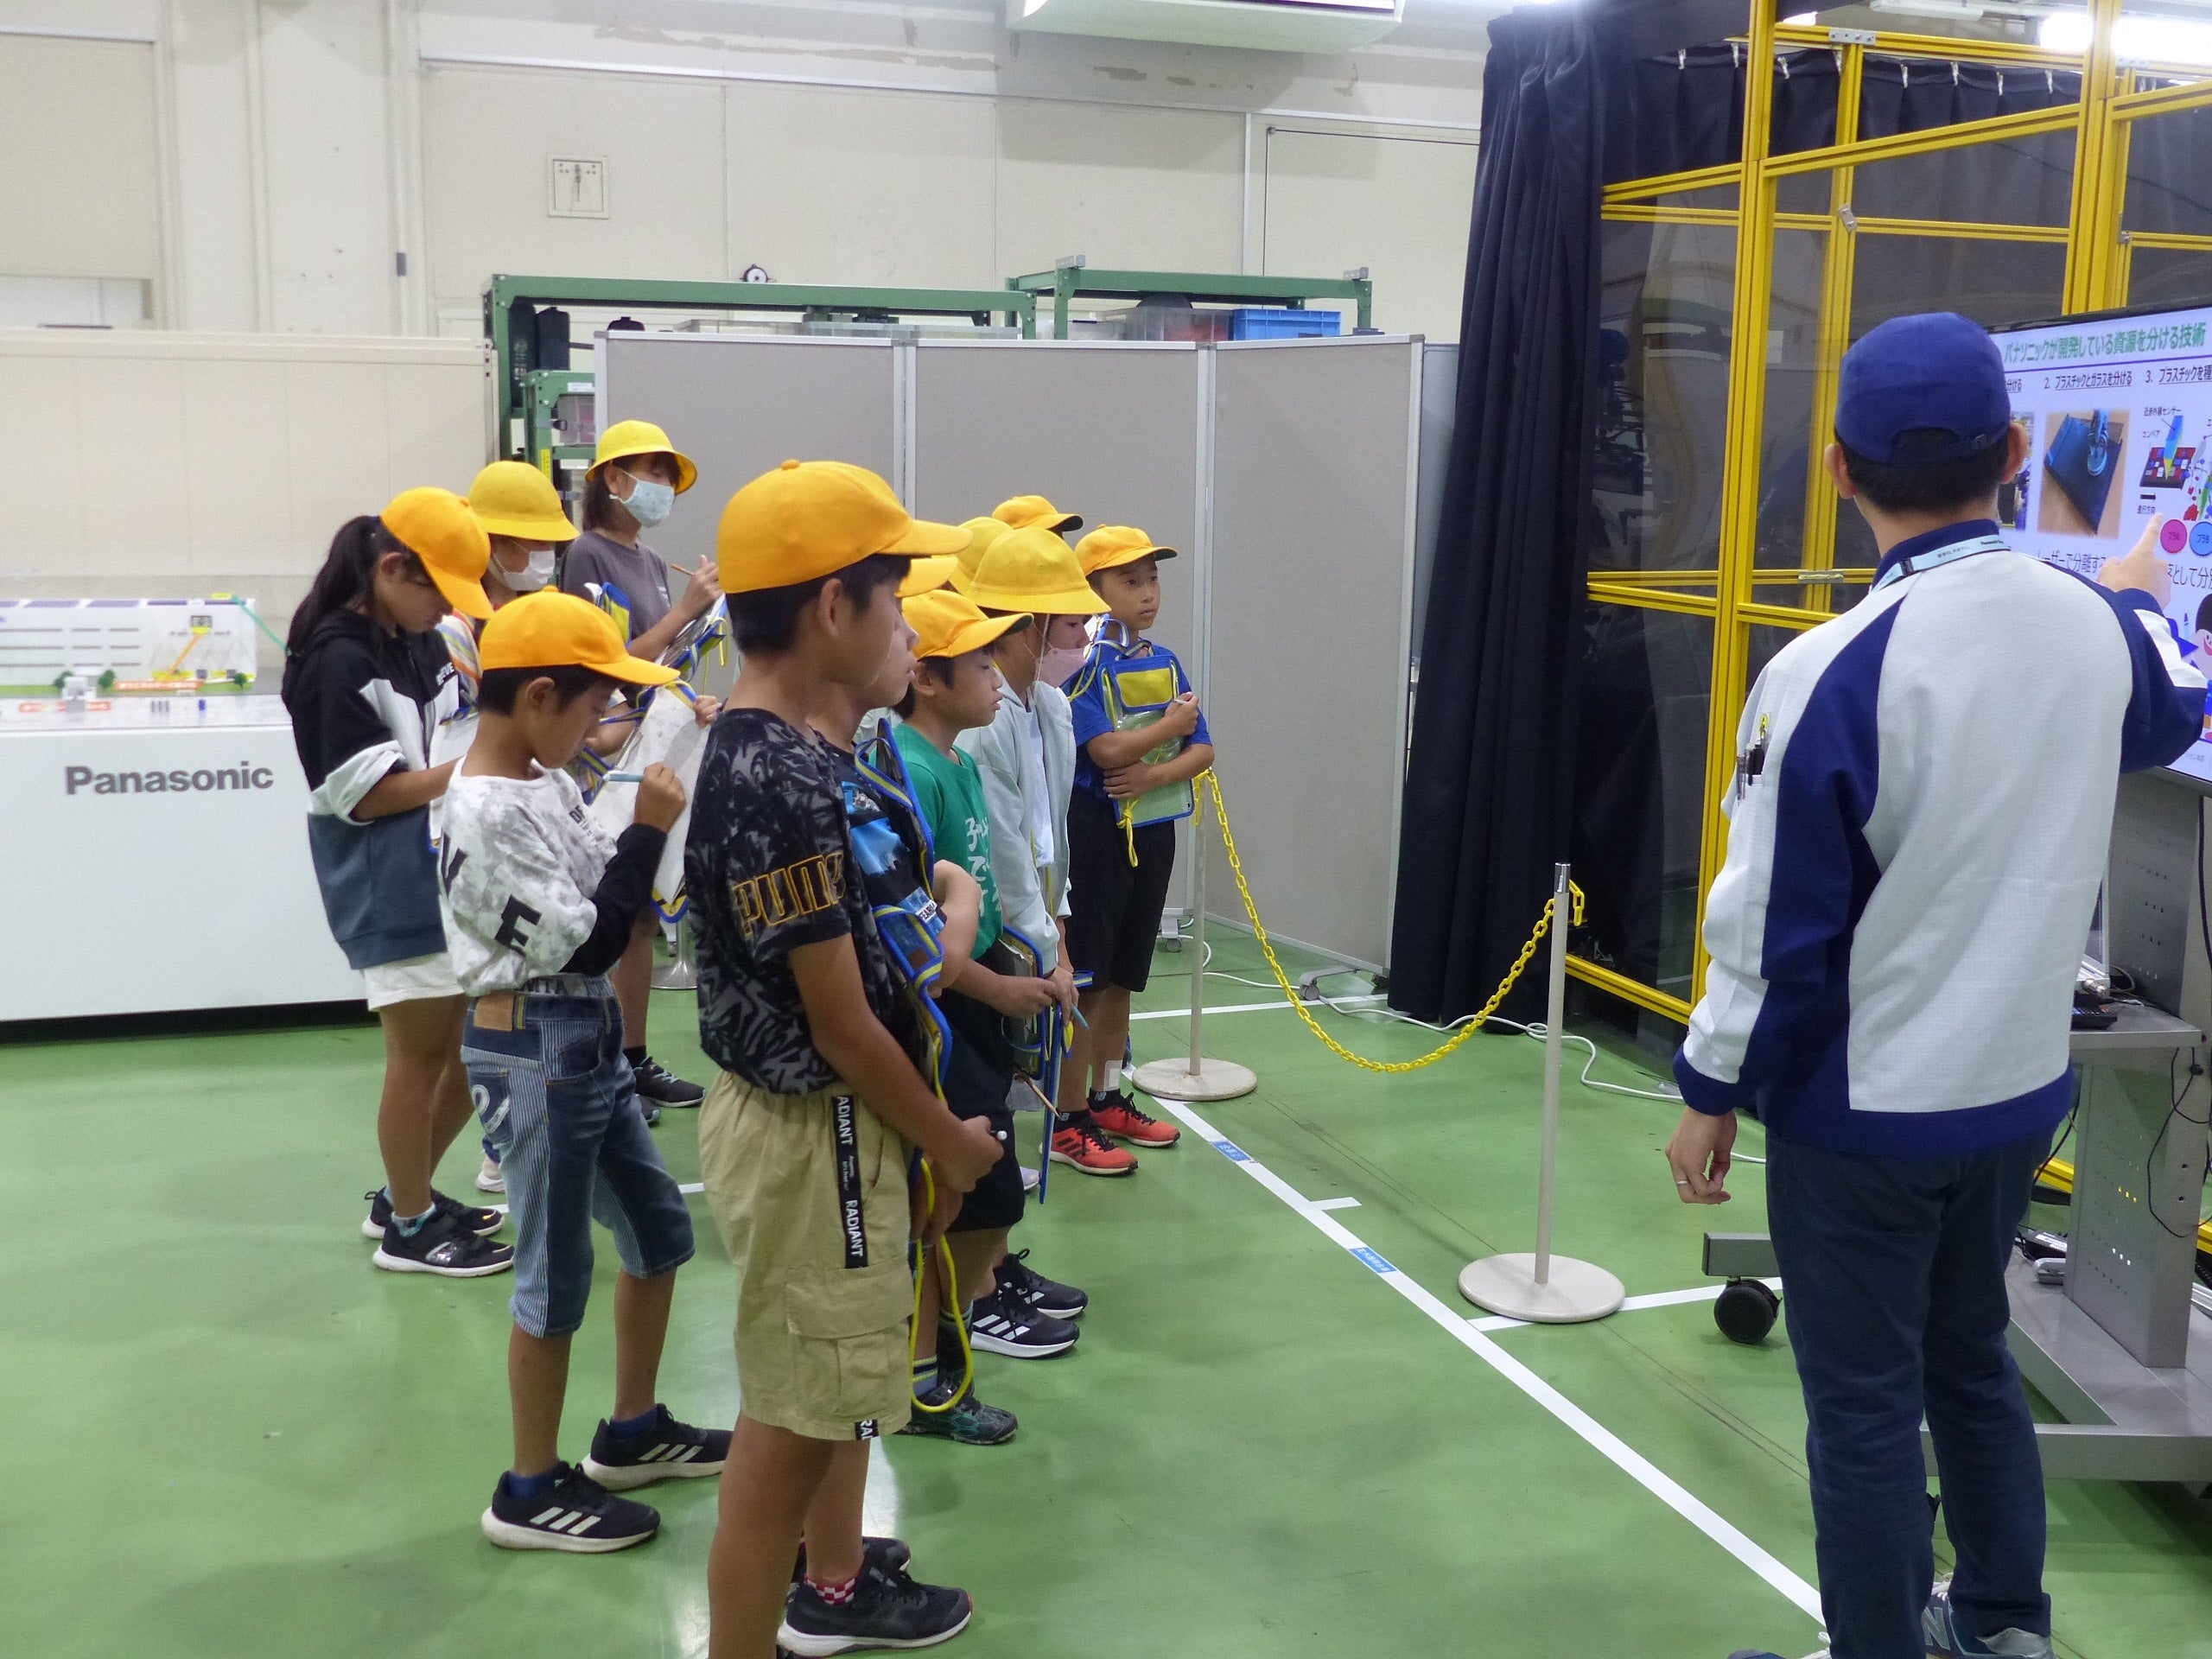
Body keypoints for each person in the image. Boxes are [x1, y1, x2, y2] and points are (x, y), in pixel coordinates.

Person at [1673, 314, 2204, 1659]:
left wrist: (1711, 1088)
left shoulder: (1825, 670)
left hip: (1864, 1116)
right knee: (1971, 1361)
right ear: (2016, 452)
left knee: (1862, 1406)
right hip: (2017, 1097)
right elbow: (2170, 699)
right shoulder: (2098, 629)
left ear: (1838, 469)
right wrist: (2139, 590)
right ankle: (2003, 1626)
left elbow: (1772, 928)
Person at [686, 459, 1001, 1659]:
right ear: (832, 608)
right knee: (786, 1432)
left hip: (840, 1129)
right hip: (816, 1130)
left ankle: (834, 1578)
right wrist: (947, 1142)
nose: (911, 628)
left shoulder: (808, 760)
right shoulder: (775, 779)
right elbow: (841, 1024)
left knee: (824, 1400)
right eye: (896, 598)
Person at [440, 591, 729, 1553]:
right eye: (595, 706)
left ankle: (632, 1430)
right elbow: (596, 936)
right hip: (534, 1046)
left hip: (584, 1035)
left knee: (658, 1229)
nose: (603, 725)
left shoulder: (543, 781)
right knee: (553, 1272)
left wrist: (644, 827)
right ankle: (528, 1486)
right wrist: (649, 828)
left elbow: (609, 883)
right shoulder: (484, 810)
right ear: (539, 697)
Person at [280, 489, 512, 1276]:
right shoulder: (336, 661)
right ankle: (409, 1227)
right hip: (387, 877)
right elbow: (369, 795)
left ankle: (403, 1195)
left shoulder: (412, 640)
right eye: (437, 591)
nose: (445, 609)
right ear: (390, 570)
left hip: (437, 867)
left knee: (463, 1050)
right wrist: (482, 766)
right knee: (419, 1058)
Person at [893, 590, 1085, 1414]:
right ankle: (927, 1366)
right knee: (958, 1191)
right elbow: (920, 941)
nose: (998, 680)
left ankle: (950, 1342)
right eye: (979, 664)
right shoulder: (913, 772)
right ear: (927, 680)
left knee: (988, 1191)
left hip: (981, 998)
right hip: (950, 1011)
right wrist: (997, 986)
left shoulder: (961, 763)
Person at [950, 525, 1109, 1263]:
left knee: (1016, 1095)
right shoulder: (982, 726)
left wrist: (1060, 928)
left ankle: (998, 1263)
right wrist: (1043, 948)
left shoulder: (1052, 707)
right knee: (989, 1096)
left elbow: (1052, 835)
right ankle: (983, 1276)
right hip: (994, 936)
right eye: (1068, 619)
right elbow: (1004, 850)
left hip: (1040, 926)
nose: (1081, 635)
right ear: (1028, 625)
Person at [562, 417, 719, 1116]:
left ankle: (631, 1057)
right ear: (613, 479)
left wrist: (689, 691)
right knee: (610, 905)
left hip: (643, 747)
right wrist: (684, 612)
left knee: (644, 915)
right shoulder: (586, 555)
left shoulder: (651, 562)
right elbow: (604, 661)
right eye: (651, 473)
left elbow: (655, 664)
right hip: (603, 756)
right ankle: (601, 1061)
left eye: (666, 476)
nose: (661, 487)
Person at [1055, 525, 1214, 1171]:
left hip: (1152, 831)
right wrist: (1167, 728)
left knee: (1124, 976)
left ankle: (1106, 1096)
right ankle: (1068, 1119)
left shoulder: (1165, 661)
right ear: (1092, 590)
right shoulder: (1081, 667)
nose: (1148, 593)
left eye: (1152, 580)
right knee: (1088, 980)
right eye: (1130, 581)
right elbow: (1103, 749)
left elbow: (1203, 749)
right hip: (1095, 835)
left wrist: (1153, 775)